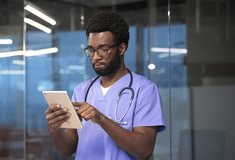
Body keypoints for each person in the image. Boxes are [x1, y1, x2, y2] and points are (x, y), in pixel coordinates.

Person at [45, 12, 165, 160]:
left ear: (121, 48)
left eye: (103, 49)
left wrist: (101, 119)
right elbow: (67, 149)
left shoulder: (144, 90)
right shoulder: (82, 91)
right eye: (91, 50)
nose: (95, 56)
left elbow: (144, 150)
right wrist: (54, 128)